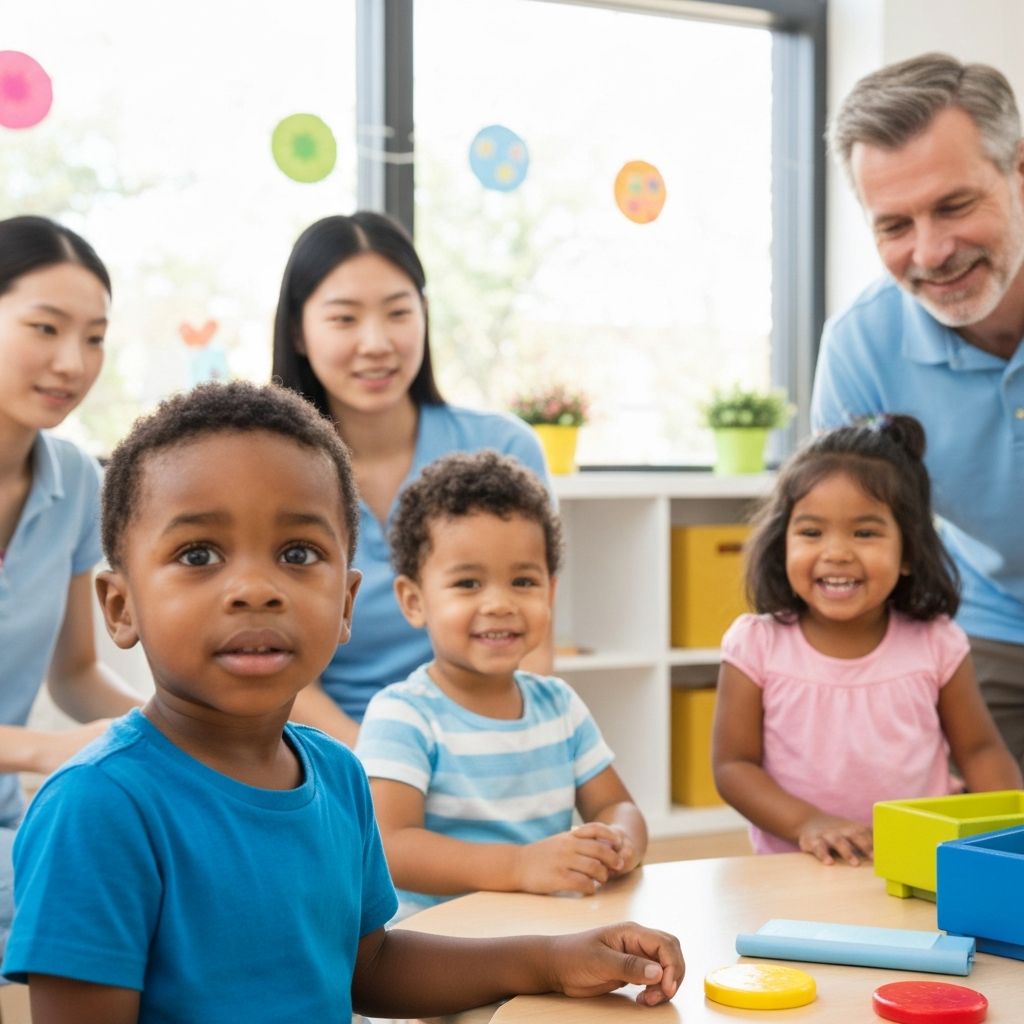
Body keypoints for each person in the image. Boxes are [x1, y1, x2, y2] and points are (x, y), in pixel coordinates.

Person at [2, 382, 682, 1022]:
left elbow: (370, 967)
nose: (256, 589)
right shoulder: (95, 808)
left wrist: (554, 959)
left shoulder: (338, 775)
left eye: (297, 553)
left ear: (348, 602)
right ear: (121, 607)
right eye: (200, 553)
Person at [813, 52, 1024, 770]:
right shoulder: (862, 347)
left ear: (1019, 170)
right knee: (994, 854)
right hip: (992, 622)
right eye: (894, 224)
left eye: (956, 206)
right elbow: (840, 539)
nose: (931, 252)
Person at [272, 213, 551, 747]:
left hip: (481, 743)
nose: (376, 343)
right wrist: (380, 765)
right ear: (298, 333)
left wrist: (506, 752)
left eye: (398, 312)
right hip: (326, 750)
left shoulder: (505, 450)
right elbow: (278, 667)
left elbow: (532, 645)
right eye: (344, 319)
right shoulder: (272, 471)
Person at [711, 415, 1022, 866]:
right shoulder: (754, 645)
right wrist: (808, 823)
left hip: (920, 863)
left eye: (865, 532)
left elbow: (980, 750)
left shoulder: (937, 642)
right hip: (799, 865)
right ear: (783, 544)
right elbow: (734, 767)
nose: (837, 552)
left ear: (909, 552)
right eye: (811, 532)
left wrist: (1010, 838)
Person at [356, 451, 646, 920]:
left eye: (522, 581)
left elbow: (616, 805)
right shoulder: (404, 714)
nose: (499, 603)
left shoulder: (560, 707)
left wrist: (618, 841)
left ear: (550, 593)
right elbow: (390, 847)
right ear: (414, 601)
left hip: (544, 936)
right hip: (437, 952)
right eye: (468, 583)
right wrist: (519, 865)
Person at [0, 215, 142, 956]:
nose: (72, 363)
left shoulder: (77, 480)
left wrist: (174, 724)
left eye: (93, 338)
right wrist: (38, 752)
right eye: (45, 328)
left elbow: (77, 674)